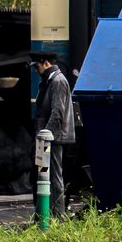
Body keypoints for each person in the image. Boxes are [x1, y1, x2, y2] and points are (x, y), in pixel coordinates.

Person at [31, 51, 75, 217]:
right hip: (47, 137)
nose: (36, 70)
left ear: (46, 63)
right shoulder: (49, 81)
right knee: (42, 177)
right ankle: (44, 214)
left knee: (54, 176)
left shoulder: (57, 81)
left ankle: (58, 216)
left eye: (37, 66)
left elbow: (58, 113)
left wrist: (46, 136)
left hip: (53, 138)